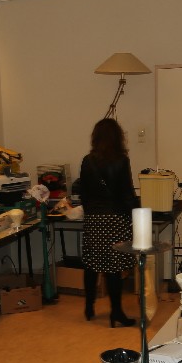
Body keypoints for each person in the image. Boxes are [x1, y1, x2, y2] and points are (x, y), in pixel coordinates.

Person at [74, 118, 138, 327]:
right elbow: (127, 194)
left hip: (94, 219)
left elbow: (83, 193)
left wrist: (92, 212)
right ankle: (116, 312)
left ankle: (89, 307)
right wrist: (134, 216)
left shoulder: (87, 161)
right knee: (113, 267)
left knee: (91, 264)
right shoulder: (121, 160)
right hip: (115, 219)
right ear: (117, 137)